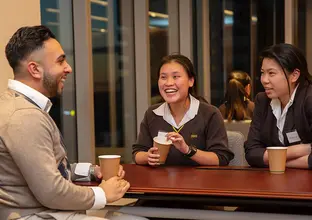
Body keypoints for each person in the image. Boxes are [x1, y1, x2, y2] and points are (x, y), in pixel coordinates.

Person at [0, 26, 147, 220]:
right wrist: (102, 194)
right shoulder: (24, 117)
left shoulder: (17, 104)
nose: (68, 68)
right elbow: (52, 192)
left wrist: (92, 171)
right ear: (35, 69)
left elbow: (51, 168)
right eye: (60, 61)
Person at [132, 54, 234, 166]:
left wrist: (187, 150)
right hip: (160, 181)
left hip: (200, 182)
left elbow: (221, 158)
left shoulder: (210, 114)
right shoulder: (152, 114)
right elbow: (137, 153)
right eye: (163, 77)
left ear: (191, 81)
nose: (169, 83)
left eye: (176, 77)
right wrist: (148, 157)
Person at [245, 43, 312, 169]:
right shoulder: (262, 100)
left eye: (271, 73)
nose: (264, 80)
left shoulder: (309, 99)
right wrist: (302, 150)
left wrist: (277, 162)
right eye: (262, 73)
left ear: (294, 75)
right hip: (274, 180)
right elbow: (252, 153)